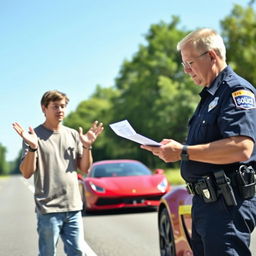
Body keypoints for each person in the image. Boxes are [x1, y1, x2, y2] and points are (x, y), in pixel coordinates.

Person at [141, 28, 256, 256]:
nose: (186, 70)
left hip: (227, 207)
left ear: (212, 56)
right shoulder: (209, 96)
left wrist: (183, 152)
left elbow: (242, 147)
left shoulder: (236, 91)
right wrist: (174, 149)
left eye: (190, 62)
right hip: (205, 205)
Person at [12, 90, 104, 256]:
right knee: (48, 253)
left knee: (77, 252)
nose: (60, 110)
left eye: (62, 106)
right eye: (55, 106)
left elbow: (85, 169)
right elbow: (26, 173)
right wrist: (33, 147)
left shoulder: (74, 135)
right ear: (44, 108)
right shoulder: (34, 136)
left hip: (74, 206)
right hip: (48, 208)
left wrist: (87, 146)